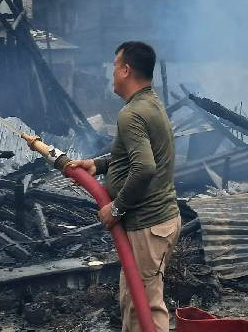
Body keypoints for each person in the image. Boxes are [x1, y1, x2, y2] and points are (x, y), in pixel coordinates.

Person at [68, 41, 180, 332]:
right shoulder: (149, 103)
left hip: (148, 224)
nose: (111, 74)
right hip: (153, 223)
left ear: (126, 70)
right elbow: (131, 158)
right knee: (133, 300)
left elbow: (144, 168)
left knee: (146, 304)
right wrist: (97, 165)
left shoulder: (131, 114)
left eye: (115, 67)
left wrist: (115, 209)